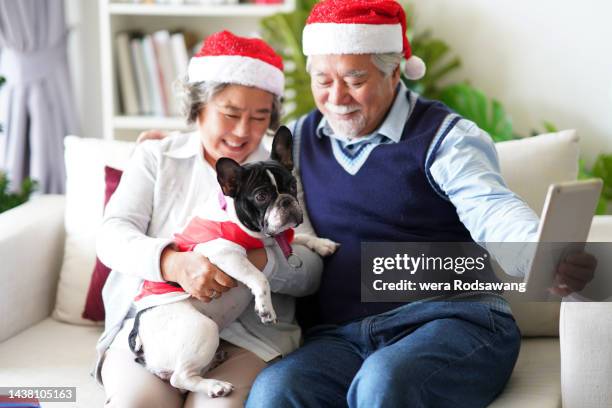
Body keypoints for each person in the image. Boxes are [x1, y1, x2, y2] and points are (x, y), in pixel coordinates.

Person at [243, 1, 597, 407]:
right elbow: (235, 174)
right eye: (322, 81)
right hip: (342, 337)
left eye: (354, 80)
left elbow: (491, 207)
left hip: (454, 323)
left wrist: (538, 253)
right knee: (275, 392)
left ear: (394, 72)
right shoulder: (300, 139)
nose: (336, 97)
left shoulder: (446, 137)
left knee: (383, 382)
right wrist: (163, 154)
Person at [93, 31, 324, 408]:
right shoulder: (157, 157)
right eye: (230, 114)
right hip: (156, 326)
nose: (242, 131)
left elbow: (312, 270)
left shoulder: (276, 173)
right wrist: (172, 262)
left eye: (259, 117)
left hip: (250, 337)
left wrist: (260, 262)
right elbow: (111, 236)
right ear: (198, 106)